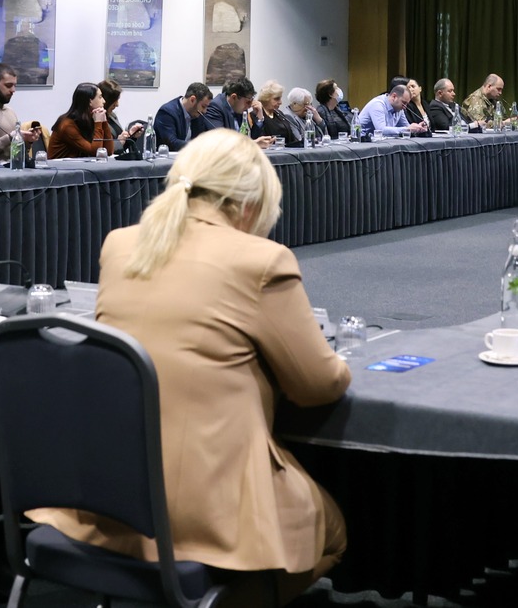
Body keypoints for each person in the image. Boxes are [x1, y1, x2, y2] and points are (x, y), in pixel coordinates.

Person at [27, 130, 350, 606]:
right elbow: (317, 385)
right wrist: (339, 361)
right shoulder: (262, 259)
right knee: (333, 535)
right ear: (249, 204)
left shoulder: (120, 245)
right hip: (206, 506)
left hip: (106, 485)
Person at [48, 83, 117, 159]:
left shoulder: (91, 118)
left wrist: (104, 122)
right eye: (100, 97)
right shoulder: (67, 125)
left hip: (79, 165)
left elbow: (109, 151)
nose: (104, 101)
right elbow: (96, 152)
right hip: (58, 165)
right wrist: (98, 123)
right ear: (90, 101)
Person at [152, 81, 215, 151]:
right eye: (203, 106)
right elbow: (172, 143)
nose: (205, 111)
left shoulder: (197, 114)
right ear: (192, 100)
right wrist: (198, 146)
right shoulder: (167, 112)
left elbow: (202, 137)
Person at [354, 82, 429, 138]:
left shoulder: (399, 109)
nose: (405, 107)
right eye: (404, 103)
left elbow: (406, 127)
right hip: (361, 142)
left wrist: (418, 128)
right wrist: (407, 129)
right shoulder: (378, 104)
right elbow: (381, 130)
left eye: (406, 104)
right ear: (394, 96)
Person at [97, 79, 148, 152]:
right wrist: (119, 142)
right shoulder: (96, 120)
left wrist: (131, 135)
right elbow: (101, 148)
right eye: (115, 101)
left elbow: (121, 146)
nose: (117, 104)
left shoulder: (112, 116)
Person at [252, 82, 304, 148]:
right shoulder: (255, 115)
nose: (280, 102)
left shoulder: (280, 114)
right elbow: (257, 138)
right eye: (277, 99)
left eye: (280, 98)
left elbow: (291, 138)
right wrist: (260, 117)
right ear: (266, 99)